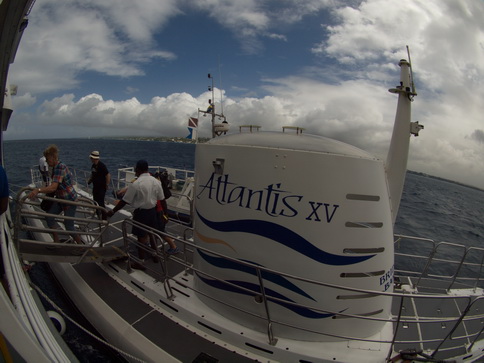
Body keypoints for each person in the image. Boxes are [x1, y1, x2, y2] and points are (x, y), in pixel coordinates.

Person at [107, 160, 177, 269]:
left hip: (142, 213)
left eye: (135, 169)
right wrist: (166, 214)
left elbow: (124, 201)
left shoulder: (136, 183)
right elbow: (162, 200)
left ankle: (141, 261)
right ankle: (155, 255)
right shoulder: (155, 181)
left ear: (138, 170)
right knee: (152, 234)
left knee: (141, 237)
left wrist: (112, 211)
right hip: (153, 212)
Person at [28, 145, 81, 244]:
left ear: (53, 157)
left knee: (69, 226)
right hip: (61, 199)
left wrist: (38, 190)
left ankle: (81, 245)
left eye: (47, 159)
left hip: (69, 200)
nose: (47, 162)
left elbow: (53, 187)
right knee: (49, 217)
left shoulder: (60, 167)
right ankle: (56, 241)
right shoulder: (57, 167)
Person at [88, 151, 110, 219]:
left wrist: (107, 184)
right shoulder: (93, 165)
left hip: (101, 187)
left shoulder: (102, 166)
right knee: (95, 201)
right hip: (95, 187)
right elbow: (93, 174)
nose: (90, 159)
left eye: (91, 158)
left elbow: (108, 175)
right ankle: (98, 214)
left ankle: (104, 217)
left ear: (94, 158)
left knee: (101, 202)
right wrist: (90, 180)